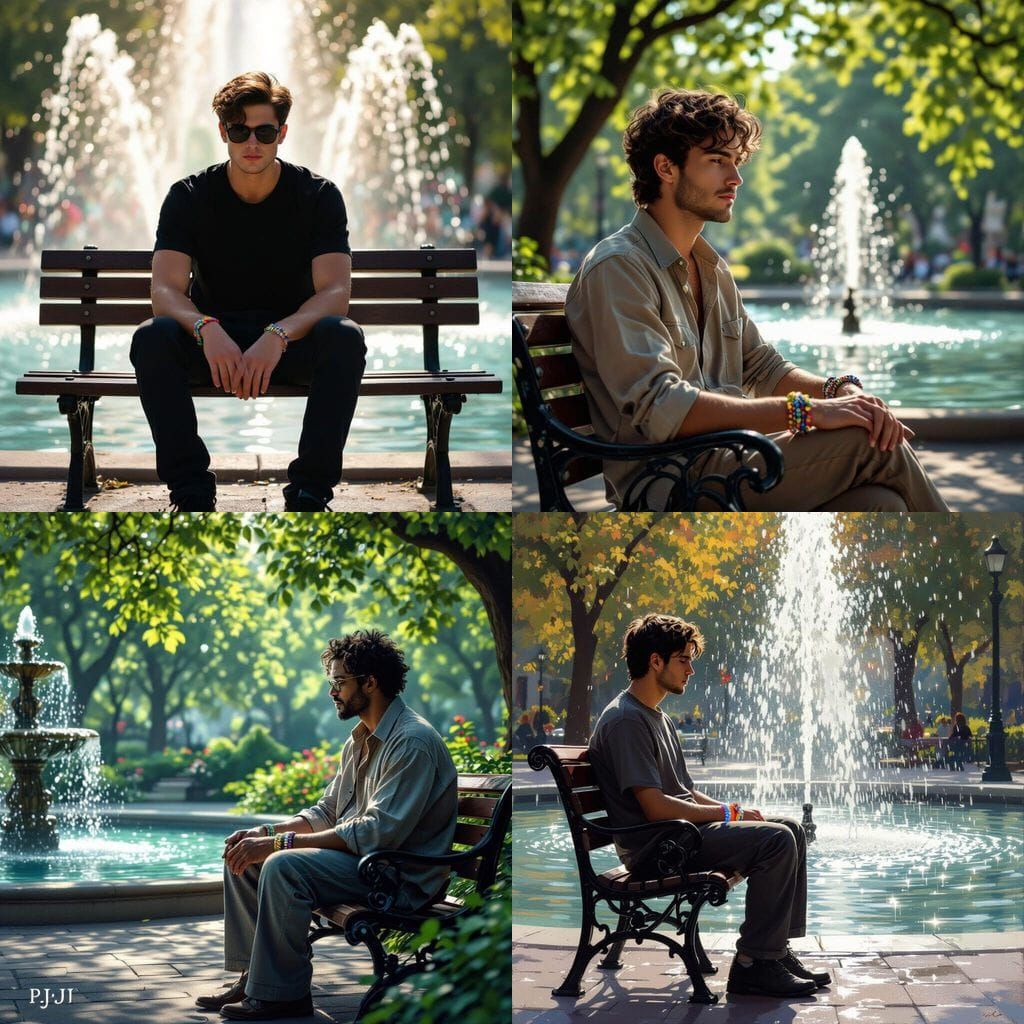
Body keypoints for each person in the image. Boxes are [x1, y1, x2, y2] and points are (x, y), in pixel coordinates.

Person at [565, 89, 949, 512]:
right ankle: (971, 556)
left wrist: (838, 390)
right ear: (665, 167)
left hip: (730, 461)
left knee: (881, 503)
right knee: (870, 441)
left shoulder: (711, 268)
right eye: (717, 161)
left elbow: (763, 367)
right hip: (671, 484)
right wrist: (808, 412)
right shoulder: (620, 268)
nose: (736, 178)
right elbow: (662, 406)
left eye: (736, 161)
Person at [131, 71, 366, 512]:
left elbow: (335, 293)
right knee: (152, 337)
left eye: (264, 132)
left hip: (289, 345)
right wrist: (204, 327)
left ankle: (310, 491)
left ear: (282, 133)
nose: (252, 143)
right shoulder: (188, 196)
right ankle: (190, 491)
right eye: (239, 131)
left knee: (344, 336)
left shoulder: (318, 196)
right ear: (223, 132)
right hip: (213, 346)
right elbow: (164, 291)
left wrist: (278, 335)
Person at [195, 629, 457, 1020]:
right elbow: (328, 811)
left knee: (282, 864)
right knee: (245, 856)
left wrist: (278, 845)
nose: (332, 692)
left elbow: (376, 832)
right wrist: (263, 835)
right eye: (331, 682)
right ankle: (257, 981)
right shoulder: (360, 740)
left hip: (398, 877)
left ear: (370, 683)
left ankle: (282, 995)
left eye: (340, 682)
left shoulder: (411, 742)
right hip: (367, 864)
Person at [589, 613, 830, 998]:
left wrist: (733, 810)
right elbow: (656, 808)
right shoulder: (626, 721)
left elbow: (685, 791)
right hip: (658, 848)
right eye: (683, 659)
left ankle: (774, 951)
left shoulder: (655, 716)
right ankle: (753, 965)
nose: (691, 669)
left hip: (679, 836)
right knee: (777, 840)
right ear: (656, 661)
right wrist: (727, 815)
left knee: (791, 829)